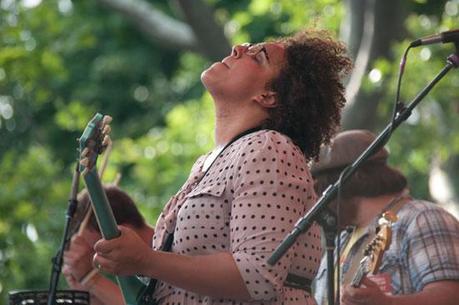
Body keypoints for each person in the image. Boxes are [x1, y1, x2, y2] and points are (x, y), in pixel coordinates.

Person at [92, 29, 352, 305]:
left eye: (258, 56)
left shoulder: (270, 149)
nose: (239, 47)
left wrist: (146, 260)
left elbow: (258, 276)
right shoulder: (207, 163)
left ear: (268, 96)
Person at [311, 129, 459, 305]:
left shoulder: (422, 218)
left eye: (321, 189)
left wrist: (387, 303)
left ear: (354, 179)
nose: (316, 200)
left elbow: (451, 296)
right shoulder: (340, 240)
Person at [63, 185, 155, 305]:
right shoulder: (140, 271)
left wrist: (90, 278)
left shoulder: (177, 251)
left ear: (124, 231)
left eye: (98, 250)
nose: (98, 262)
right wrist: (90, 293)